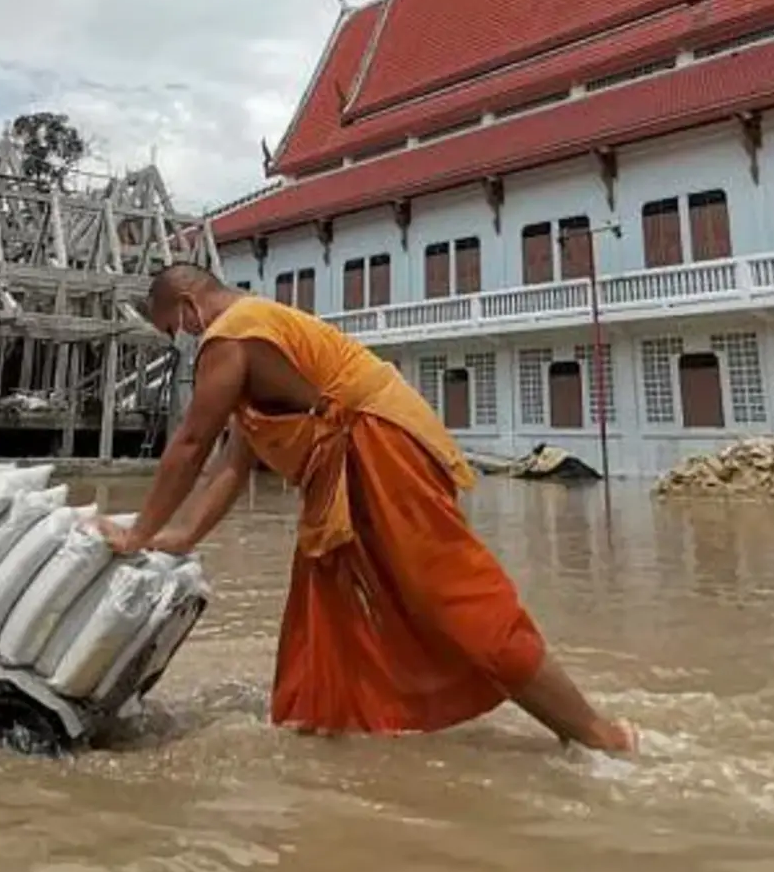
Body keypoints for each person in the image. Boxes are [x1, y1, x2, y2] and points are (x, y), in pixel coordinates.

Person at [99, 264, 634, 753]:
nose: (186, 340)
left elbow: (191, 443)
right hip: (348, 464)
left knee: (452, 595)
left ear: (189, 305)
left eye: (175, 328)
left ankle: (597, 734)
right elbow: (232, 465)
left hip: (378, 446)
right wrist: (180, 537)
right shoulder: (256, 332)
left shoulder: (231, 334)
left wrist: (138, 534)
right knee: (325, 612)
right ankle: (324, 741)